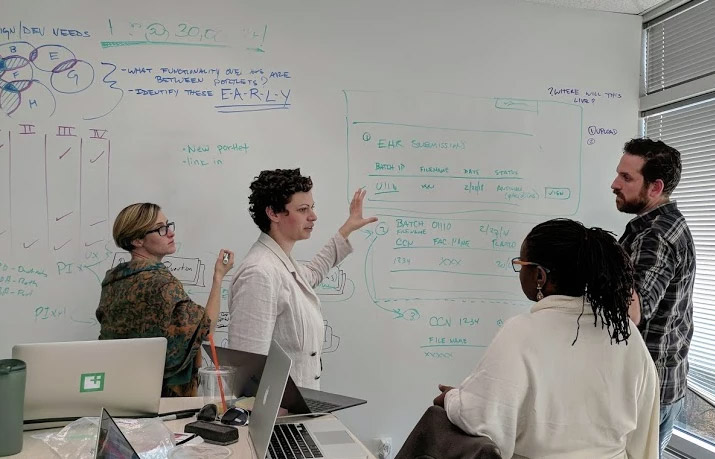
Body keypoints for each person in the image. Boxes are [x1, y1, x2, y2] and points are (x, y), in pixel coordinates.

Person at [434, 219, 660, 458]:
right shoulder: (626, 334)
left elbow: (485, 420)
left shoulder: (521, 332)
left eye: (521, 264)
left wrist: (453, 400)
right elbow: (644, 439)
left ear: (540, 276)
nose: (519, 270)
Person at [228, 169, 376, 389]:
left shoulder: (282, 262)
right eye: (302, 209)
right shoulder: (259, 273)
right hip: (279, 413)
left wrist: (346, 230)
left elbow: (313, 273)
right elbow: (247, 366)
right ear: (274, 213)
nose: (313, 216)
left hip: (298, 406)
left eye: (312, 208)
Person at [96, 203, 234, 397]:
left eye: (168, 225)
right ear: (137, 240)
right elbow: (205, 328)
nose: (170, 233)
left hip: (121, 390)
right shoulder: (161, 283)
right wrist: (218, 277)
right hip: (163, 400)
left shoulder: (113, 281)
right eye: (161, 229)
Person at [612, 138, 696, 454]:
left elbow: (634, 312)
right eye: (618, 174)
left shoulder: (655, 237)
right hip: (666, 384)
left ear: (655, 187)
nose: (614, 184)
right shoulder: (671, 223)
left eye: (627, 178)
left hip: (647, 393)